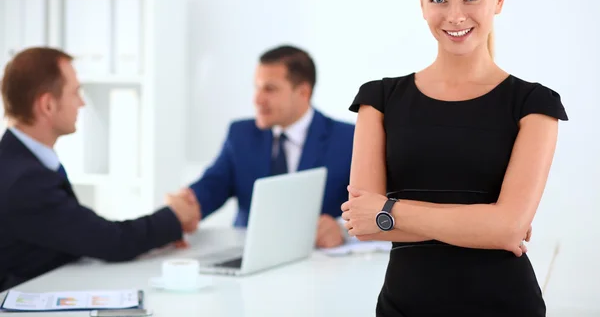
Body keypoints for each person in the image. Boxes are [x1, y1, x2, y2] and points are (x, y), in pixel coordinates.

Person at [341, 0, 568, 317]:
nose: (455, 15)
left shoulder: (534, 104)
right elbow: (364, 225)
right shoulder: (378, 100)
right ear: (421, 2)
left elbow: (508, 229)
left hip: (505, 306)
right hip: (403, 308)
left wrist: (391, 212)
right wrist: (486, 224)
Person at [0, 47, 200, 291]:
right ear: (48, 105)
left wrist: (167, 231)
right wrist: (175, 217)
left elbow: (73, 236)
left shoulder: (21, 161)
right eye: (75, 92)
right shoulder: (24, 180)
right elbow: (111, 241)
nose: (82, 103)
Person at [176, 45, 354, 248]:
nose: (257, 100)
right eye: (257, 88)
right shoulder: (241, 135)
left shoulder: (348, 139)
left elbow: (372, 206)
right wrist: (186, 206)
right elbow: (212, 187)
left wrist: (342, 229)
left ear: (303, 92)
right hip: (250, 255)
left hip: (320, 262)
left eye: (270, 89)